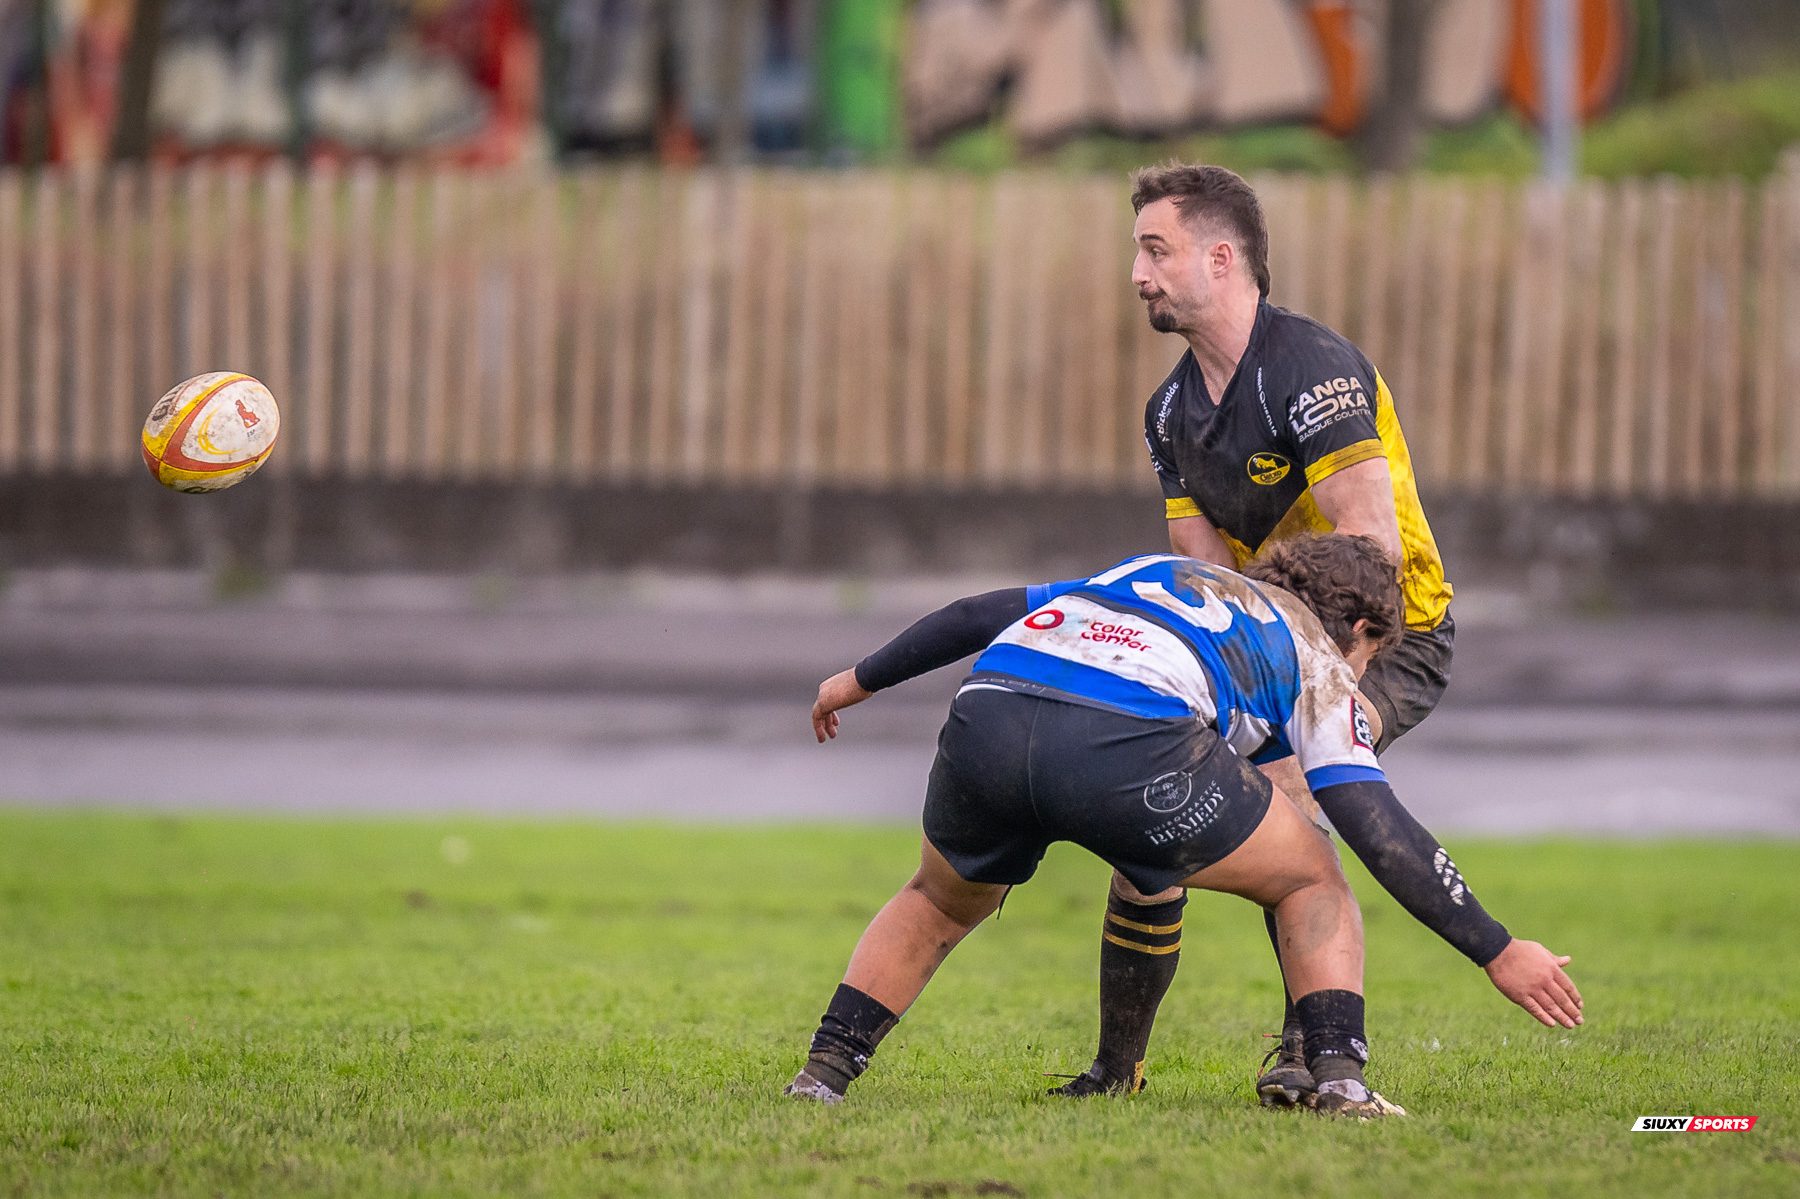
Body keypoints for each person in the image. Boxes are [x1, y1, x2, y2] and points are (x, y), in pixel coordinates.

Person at [784, 537, 1581, 1115]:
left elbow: (975, 612)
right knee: (1312, 871)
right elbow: (1376, 822)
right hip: (1123, 737)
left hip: (990, 706)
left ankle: (822, 1076)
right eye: (1376, 651)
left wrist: (856, 680)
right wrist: (1497, 947)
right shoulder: (1319, 655)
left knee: (936, 899)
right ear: (1364, 632)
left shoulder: (1151, 572)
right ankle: (1340, 1082)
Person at [1075, 161, 1464, 1103]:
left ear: (1223, 256)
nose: (1137, 272)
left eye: (1155, 249)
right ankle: (1113, 1070)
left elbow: (1369, 553)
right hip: (1269, 654)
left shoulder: (1312, 372)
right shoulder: (1170, 412)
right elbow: (1205, 577)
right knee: (1148, 818)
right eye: (1138, 250)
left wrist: (1314, 713)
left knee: (1288, 801)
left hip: (1389, 633)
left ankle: (1315, 1055)